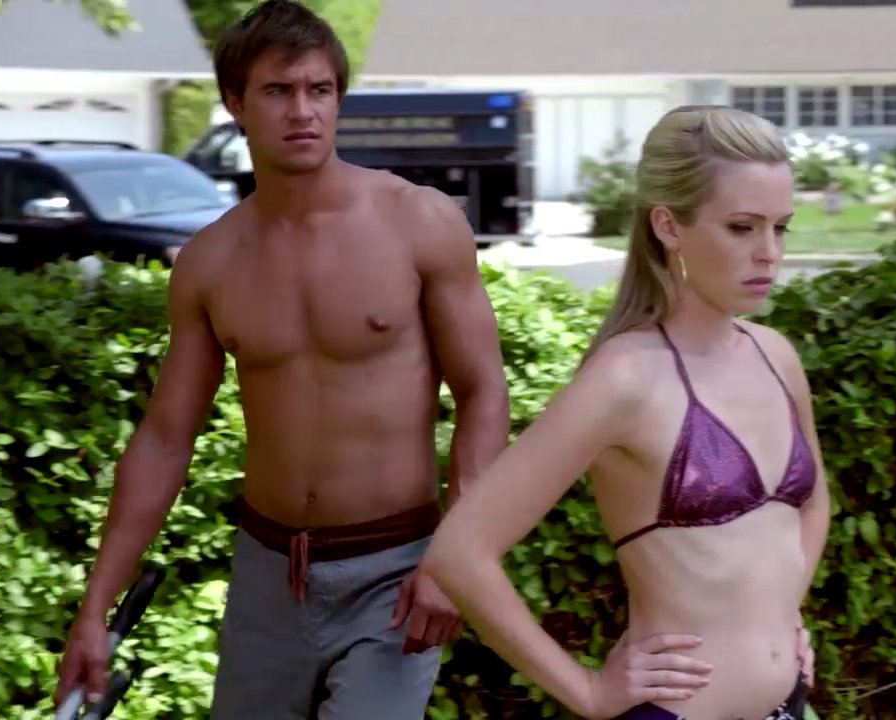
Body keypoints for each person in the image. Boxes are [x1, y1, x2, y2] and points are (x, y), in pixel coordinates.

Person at [53, 2, 511, 718]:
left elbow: (483, 390)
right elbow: (166, 438)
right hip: (268, 575)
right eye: (277, 90)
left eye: (319, 89)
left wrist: (460, 554)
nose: (303, 111)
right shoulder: (209, 261)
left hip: (394, 571)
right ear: (235, 103)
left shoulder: (416, 221)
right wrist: (94, 609)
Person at [419, 105, 831, 720]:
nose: (769, 253)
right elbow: (459, 552)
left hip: (787, 706)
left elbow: (812, 503)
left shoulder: (775, 356)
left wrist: (782, 614)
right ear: (668, 225)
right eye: (742, 228)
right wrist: (586, 691)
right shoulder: (625, 378)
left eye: (781, 227)